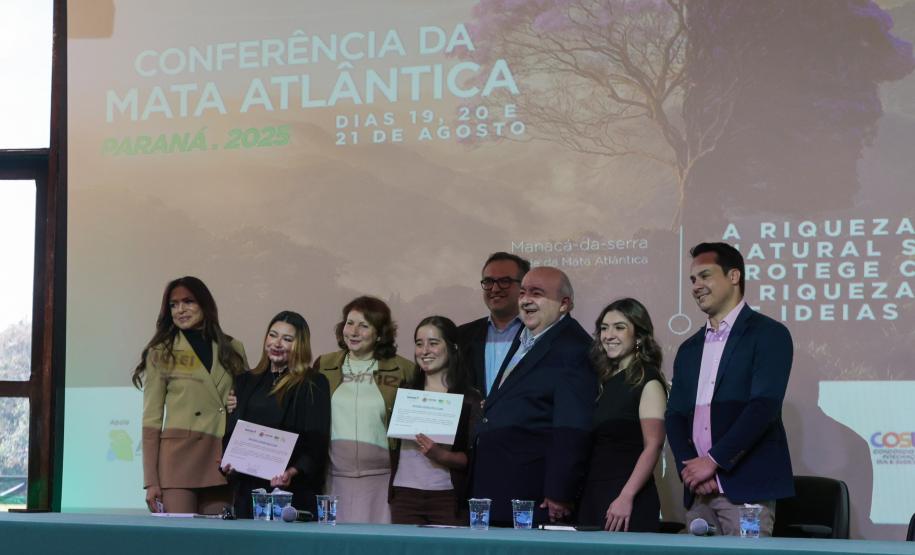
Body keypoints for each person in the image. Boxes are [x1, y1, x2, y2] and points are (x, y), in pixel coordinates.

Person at [665, 242, 794, 536]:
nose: (696, 286)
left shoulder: (769, 334)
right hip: (699, 493)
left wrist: (712, 461)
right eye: (693, 280)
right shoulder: (688, 348)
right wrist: (691, 468)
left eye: (705, 276)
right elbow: (674, 414)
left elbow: (764, 406)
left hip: (745, 492)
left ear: (734, 276)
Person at [470, 266, 597, 526]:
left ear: (564, 304)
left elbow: (571, 427)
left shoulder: (574, 348)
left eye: (537, 293)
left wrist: (559, 492)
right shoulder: (527, 337)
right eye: (524, 292)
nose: (526, 300)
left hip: (534, 496)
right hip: (500, 487)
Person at [132, 276, 247, 514]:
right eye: (173, 305)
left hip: (222, 459)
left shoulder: (233, 348)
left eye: (188, 302)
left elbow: (247, 398)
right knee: (179, 541)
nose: (180, 310)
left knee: (217, 544)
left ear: (204, 304)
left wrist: (238, 402)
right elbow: (151, 420)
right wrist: (151, 481)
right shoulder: (161, 352)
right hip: (177, 461)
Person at [316, 296, 416, 523]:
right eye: (349, 323)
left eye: (364, 325)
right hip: (333, 479)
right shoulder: (323, 365)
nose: (353, 331)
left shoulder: (404, 369)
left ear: (380, 334)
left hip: (382, 481)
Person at [221, 311, 330, 518]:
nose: (277, 343)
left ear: (301, 345)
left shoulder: (313, 383)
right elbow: (232, 431)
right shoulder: (245, 381)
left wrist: (293, 471)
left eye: (287, 339)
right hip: (248, 490)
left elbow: (318, 439)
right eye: (273, 335)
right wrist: (228, 462)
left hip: (291, 491)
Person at [578, 298, 667, 532]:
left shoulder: (647, 381)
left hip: (626, 501)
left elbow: (653, 445)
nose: (609, 335)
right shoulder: (603, 382)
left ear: (638, 336)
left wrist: (626, 497)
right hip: (594, 495)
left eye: (619, 327)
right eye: (604, 328)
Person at [390, 316, 482, 525]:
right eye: (419, 344)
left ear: (453, 347)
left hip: (447, 497)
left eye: (433, 343)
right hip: (405, 494)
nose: (425, 351)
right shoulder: (405, 393)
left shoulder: (469, 398)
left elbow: (472, 459)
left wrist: (440, 455)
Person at [457, 252, 529, 396]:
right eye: (489, 281)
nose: (495, 289)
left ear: (524, 286)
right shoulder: (461, 336)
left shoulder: (540, 334)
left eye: (505, 281)